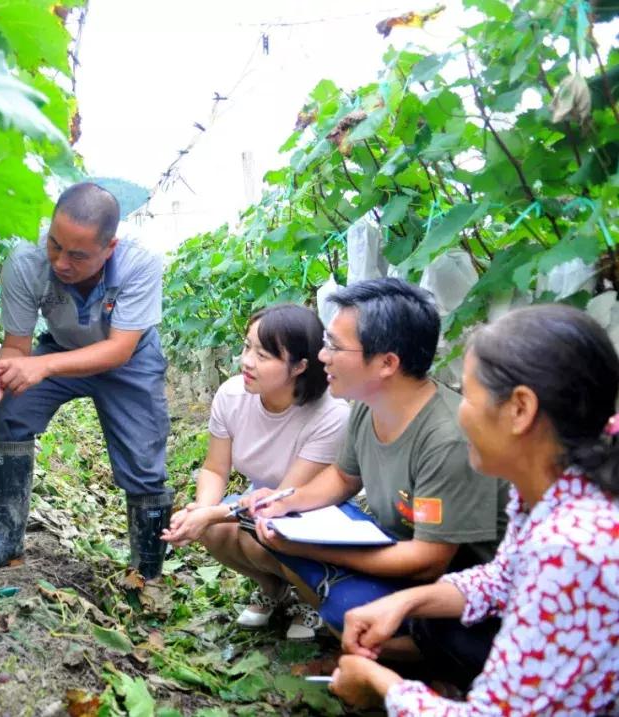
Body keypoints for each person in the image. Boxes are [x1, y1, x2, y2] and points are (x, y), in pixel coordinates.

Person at [331, 304, 619, 716]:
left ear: (520, 409)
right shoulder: (554, 493)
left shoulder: (569, 548)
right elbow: (504, 577)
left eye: (468, 395)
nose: (458, 412)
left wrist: (381, 686)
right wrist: (406, 602)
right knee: (433, 621)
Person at [249, 278, 506, 682]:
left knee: (344, 603)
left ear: (387, 363)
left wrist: (315, 550)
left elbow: (428, 560)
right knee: (270, 525)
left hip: (463, 593)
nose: (321, 356)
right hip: (402, 550)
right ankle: (367, 639)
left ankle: (419, 668)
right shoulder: (368, 407)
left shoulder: (446, 439)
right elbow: (341, 476)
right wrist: (287, 502)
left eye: (334, 345)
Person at [0, 182, 174, 579]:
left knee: (144, 464)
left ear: (108, 248)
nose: (60, 261)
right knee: (11, 408)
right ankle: (5, 541)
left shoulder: (139, 264)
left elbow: (118, 351)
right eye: (55, 245)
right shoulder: (26, 260)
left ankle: (146, 572)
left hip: (129, 361)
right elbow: (17, 348)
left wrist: (44, 367)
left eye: (77, 255)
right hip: (60, 346)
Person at [161, 305, 350, 639]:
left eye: (263, 355)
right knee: (214, 528)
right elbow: (215, 468)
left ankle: (311, 599)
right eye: (247, 347)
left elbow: (282, 500)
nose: (246, 361)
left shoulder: (329, 415)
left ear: (300, 366)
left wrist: (211, 515)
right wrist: (204, 511)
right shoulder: (232, 395)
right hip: (256, 508)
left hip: (310, 513)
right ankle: (273, 590)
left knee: (258, 537)